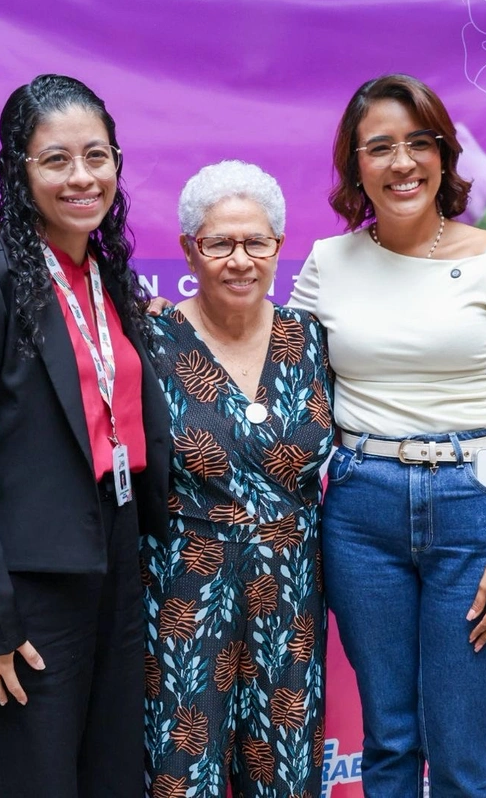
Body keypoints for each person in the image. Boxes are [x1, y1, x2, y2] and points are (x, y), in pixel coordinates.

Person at [287, 74, 486, 797]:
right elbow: (272, 371)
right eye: (380, 147)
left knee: (461, 749)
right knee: (391, 739)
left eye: (418, 142)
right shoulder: (326, 263)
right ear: (356, 167)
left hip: (474, 511)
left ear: (443, 155)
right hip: (360, 512)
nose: (401, 162)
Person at [0, 74, 169, 797]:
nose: (81, 177)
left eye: (97, 155)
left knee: (112, 776)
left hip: (116, 563)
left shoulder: (108, 276)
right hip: (28, 591)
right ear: (17, 170)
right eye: (55, 159)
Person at [142, 160, 333, 798]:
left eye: (257, 242)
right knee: (180, 775)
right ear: (189, 250)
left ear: (279, 246)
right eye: (219, 243)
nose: (240, 260)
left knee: (285, 773)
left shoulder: (314, 342)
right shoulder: (150, 340)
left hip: (292, 589)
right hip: (185, 589)